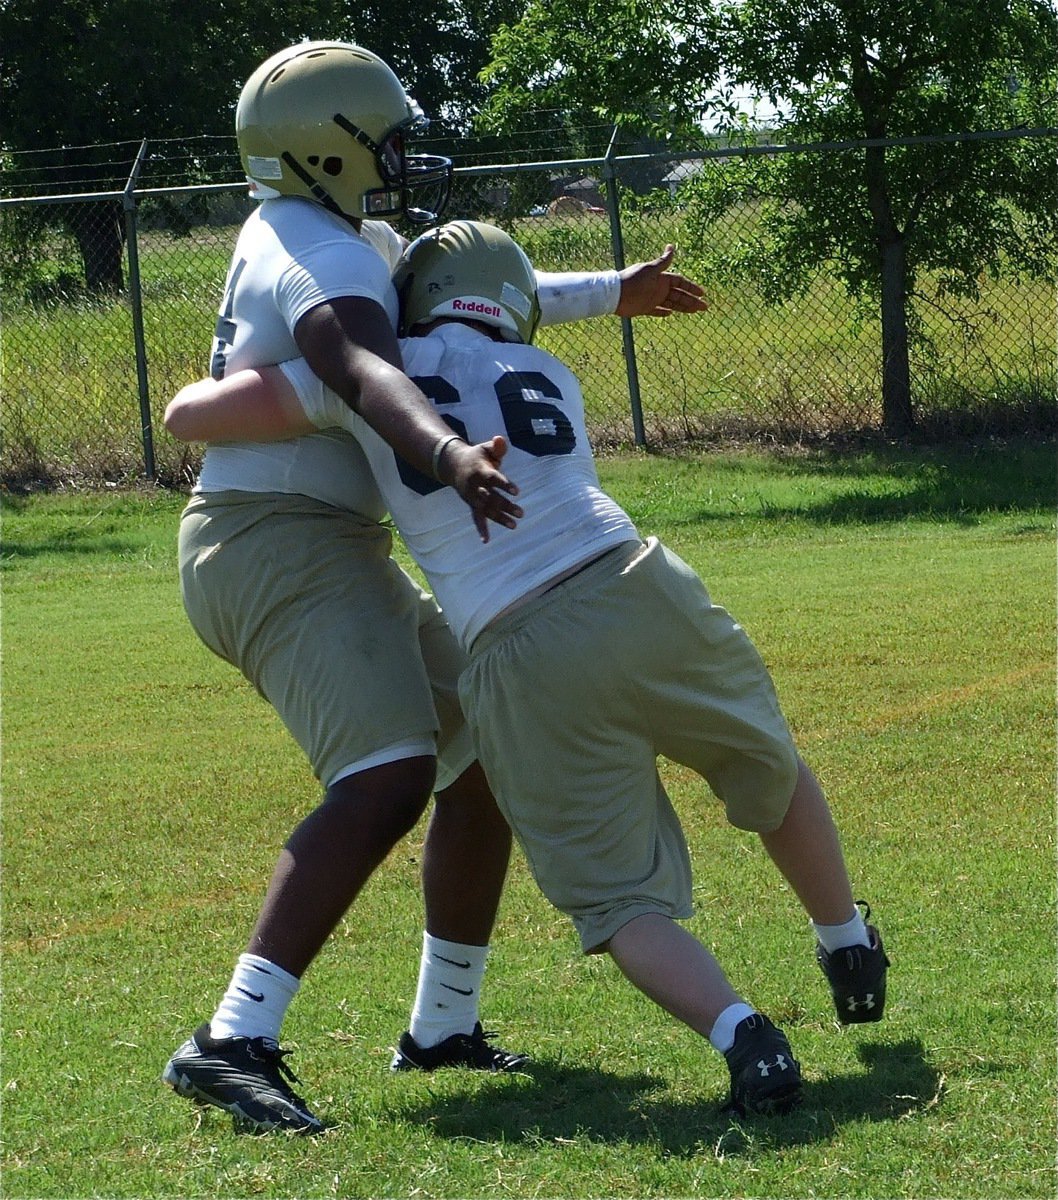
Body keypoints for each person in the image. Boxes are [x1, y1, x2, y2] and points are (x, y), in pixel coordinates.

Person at [166, 220, 891, 1117]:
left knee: (618, 900)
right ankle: (846, 938)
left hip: (518, 641)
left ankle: (747, 1037)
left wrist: (264, 357)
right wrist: (611, 291)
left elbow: (192, 416)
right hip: (639, 583)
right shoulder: (549, 372)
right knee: (767, 764)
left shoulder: (366, 376)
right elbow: (510, 302)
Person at [161, 42, 710, 1135]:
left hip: (322, 539)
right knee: (388, 771)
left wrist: (613, 292)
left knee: (484, 751)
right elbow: (367, 367)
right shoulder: (318, 251)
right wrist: (448, 452)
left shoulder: (334, 233)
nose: (406, 157)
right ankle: (231, 1038)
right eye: (388, 139)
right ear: (326, 149)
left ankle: (442, 1025)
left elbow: (465, 299)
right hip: (271, 541)